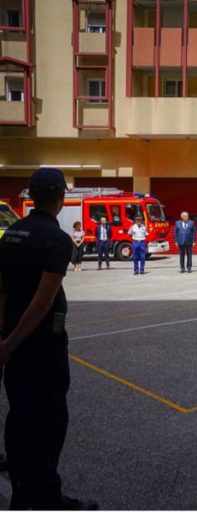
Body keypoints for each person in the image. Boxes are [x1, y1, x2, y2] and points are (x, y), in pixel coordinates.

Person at [0, 167, 98, 510]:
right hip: (41, 347)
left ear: (30, 196)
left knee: (19, 414)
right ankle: (45, 496)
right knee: (50, 420)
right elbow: (42, 302)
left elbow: (3, 293)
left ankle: (22, 488)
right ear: (61, 198)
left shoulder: (12, 232)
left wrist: (5, 340)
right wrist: (11, 344)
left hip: (12, 343)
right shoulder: (57, 240)